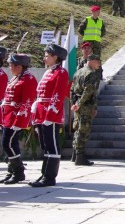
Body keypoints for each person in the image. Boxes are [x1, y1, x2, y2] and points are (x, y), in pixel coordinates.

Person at [29, 43, 70, 188]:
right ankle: (44, 173)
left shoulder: (61, 72)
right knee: (45, 145)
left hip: (50, 115)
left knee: (52, 145)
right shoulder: (49, 72)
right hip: (41, 113)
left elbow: (58, 95)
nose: (44, 58)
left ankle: (50, 176)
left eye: (47, 55)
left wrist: (50, 116)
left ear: (55, 57)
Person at [1, 54, 37, 184]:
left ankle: (19, 171)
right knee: (11, 144)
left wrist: (19, 120)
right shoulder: (15, 78)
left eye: (11, 65)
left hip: (16, 117)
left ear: (19, 66)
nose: (9, 67)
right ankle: (12, 171)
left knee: (8, 143)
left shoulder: (29, 79)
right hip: (7, 116)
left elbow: (27, 101)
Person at [70, 54, 102, 166]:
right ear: (92, 61)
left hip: (78, 105)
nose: (99, 64)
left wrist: (74, 103)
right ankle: (80, 156)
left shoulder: (78, 72)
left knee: (77, 129)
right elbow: (88, 92)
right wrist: (79, 104)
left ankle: (74, 154)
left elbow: (72, 89)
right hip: (85, 106)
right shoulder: (91, 74)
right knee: (83, 130)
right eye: (98, 61)